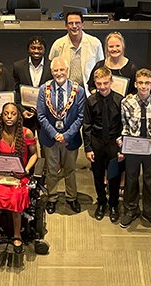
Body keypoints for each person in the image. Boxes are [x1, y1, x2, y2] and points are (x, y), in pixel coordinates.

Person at [0, 103, 38, 253]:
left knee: (15, 197)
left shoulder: (27, 133)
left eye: (13, 114)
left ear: (18, 115)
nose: (9, 117)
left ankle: (17, 236)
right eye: (6, 114)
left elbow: (34, 155)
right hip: (1, 175)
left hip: (20, 176)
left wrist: (25, 170)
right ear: (2, 115)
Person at [37, 57, 86, 214]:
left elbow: (80, 116)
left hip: (70, 139)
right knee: (51, 170)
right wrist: (55, 134)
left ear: (68, 70)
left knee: (70, 169)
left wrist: (67, 135)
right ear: (51, 72)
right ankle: (52, 198)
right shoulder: (44, 90)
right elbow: (41, 115)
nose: (59, 73)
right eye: (56, 70)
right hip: (50, 138)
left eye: (62, 70)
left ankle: (71, 197)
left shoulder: (78, 91)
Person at [119, 68, 151, 229]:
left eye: (147, 83)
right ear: (136, 84)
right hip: (133, 146)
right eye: (140, 83)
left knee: (150, 179)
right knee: (131, 178)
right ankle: (131, 209)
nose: (143, 86)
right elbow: (124, 125)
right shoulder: (126, 102)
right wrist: (123, 142)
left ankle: (148, 210)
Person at [83, 67, 123, 223]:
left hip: (114, 143)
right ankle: (101, 202)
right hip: (97, 142)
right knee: (98, 176)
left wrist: (122, 148)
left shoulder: (120, 100)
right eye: (99, 84)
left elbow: (123, 126)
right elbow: (86, 125)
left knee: (114, 175)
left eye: (106, 83)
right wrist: (88, 148)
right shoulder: (90, 101)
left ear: (111, 81)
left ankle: (113, 204)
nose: (103, 87)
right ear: (95, 83)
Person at [48, 11, 104, 94]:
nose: (74, 26)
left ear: (82, 24)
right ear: (66, 25)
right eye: (70, 23)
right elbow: (51, 68)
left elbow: (101, 69)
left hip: (88, 92)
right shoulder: (58, 45)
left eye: (77, 23)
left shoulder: (95, 43)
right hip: (65, 93)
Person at [13, 36, 53, 133]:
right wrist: (22, 110)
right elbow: (16, 91)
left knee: (46, 147)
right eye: (33, 47)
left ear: (44, 50)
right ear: (28, 49)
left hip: (46, 115)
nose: (36, 51)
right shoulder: (18, 66)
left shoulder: (52, 66)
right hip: (26, 114)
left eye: (39, 48)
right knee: (24, 146)